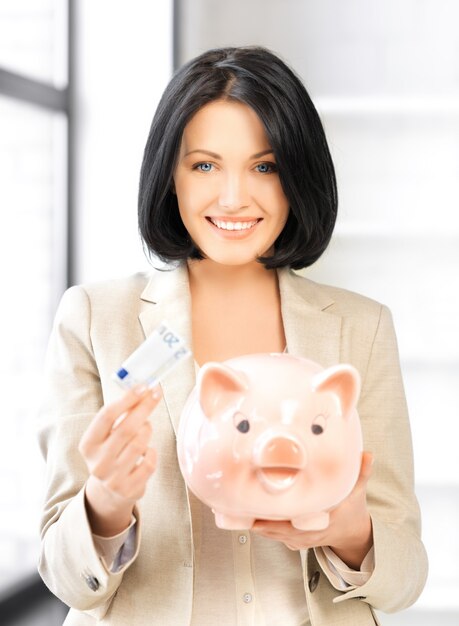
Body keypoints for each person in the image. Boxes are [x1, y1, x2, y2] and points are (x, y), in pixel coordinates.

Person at [37, 46, 428, 625]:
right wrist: (106, 504)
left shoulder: (361, 329)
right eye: (204, 165)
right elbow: (65, 576)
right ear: (170, 175)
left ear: (297, 176)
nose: (233, 197)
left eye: (265, 167)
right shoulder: (97, 318)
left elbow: (405, 579)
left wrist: (351, 534)